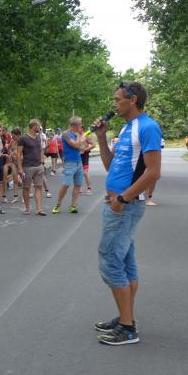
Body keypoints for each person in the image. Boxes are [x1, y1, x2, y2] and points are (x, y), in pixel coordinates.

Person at [92, 81, 161, 346]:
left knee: (110, 261)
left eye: (118, 99)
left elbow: (153, 172)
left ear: (133, 100)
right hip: (118, 204)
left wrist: (123, 199)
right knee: (125, 263)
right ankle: (126, 317)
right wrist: (101, 137)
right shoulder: (126, 128)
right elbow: (112, 167)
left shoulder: (147, 127)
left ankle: (127, 328)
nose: (114, 104)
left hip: (124, 206)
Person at [51, 117, 87, 215]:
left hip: (79, 162)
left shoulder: (75, 134)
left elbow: (81, 147)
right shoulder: (66, 134)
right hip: (70, 163)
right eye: (80, 124)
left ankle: (73, 206)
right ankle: (58, 205)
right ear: (75, 125)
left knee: (78, 185)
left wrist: (82, 147)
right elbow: (75, 145)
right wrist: (79, 137)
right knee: (66, 184)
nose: (81, 126)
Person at [17, 119, 47, 216]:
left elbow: (41, 150)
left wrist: (42, 163)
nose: (40, 128)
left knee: (39, 187)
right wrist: (20, 168)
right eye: (39, 126)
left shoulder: (38, 137)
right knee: (26, 188)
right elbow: (18, 154)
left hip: (38, 166)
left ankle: (39, 209)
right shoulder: (23, 138)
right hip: (27, 167)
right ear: (34, 126)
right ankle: (27, 208)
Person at [81, 131, 95, 195]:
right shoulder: (75, 135)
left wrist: (86, 149)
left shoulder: (86, 136)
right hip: (77, 155)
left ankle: (89, 188)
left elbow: (93, 145)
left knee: (85, 172)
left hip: (84, 155)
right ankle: (79, 187)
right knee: (78, 172)